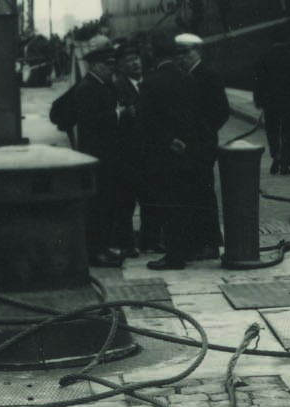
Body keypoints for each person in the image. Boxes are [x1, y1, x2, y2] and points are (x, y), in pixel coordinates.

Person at [137, 44, 224, 271]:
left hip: (163, 155)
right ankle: (188, 248)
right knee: (186, 202)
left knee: (170, 204)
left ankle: (174, 256)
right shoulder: (189, 80)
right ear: (174, 58)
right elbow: (196, 116)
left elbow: (146, 122)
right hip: (190, 153)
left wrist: (169, 140)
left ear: (152, 56)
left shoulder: (148, 83)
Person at [49, 52, 136, 266]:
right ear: (95, 66)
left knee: (107, 204)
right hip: (97, 155)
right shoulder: (87, 88)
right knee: (98, 206)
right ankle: (96, 252)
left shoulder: (104, 85)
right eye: (107, 64)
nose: (111, 68)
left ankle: (103, 247)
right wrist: (120, 114)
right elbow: (90, 121)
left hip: (109, 155)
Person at [250, 41, 290, 177]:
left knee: (272, 130)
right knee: (287, 132)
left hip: (270, 102)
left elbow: (259, 81)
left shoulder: (264, 57)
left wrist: (258, 99)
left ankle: (276, 154)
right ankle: (285, 164)